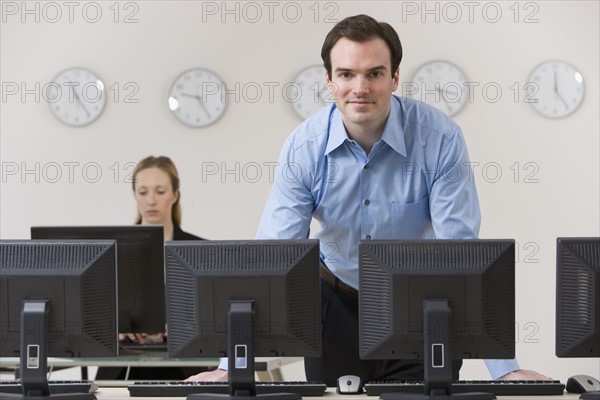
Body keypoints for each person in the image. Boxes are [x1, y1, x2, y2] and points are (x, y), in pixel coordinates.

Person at [187, 14, 550, 385]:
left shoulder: (440, 139)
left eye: (374, 74)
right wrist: (228, 367)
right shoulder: (304, 148)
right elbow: (273, 257)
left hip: (421, 306)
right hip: (334, 304)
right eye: (346, 74)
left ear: (394, 78)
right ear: (328, 81)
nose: (360, 87)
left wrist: (505, 369)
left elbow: (460, 256)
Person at [96, 155, 207, 380]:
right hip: (125, 362)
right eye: (143, 192)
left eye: (160, 191)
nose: (151, 201)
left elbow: (212, 315)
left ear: (175, 195)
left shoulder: (199, 250)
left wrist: (182, 328)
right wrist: (119, 328)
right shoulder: (113, 250)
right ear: (135, 196)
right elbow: (96, 315)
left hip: (184, 364)